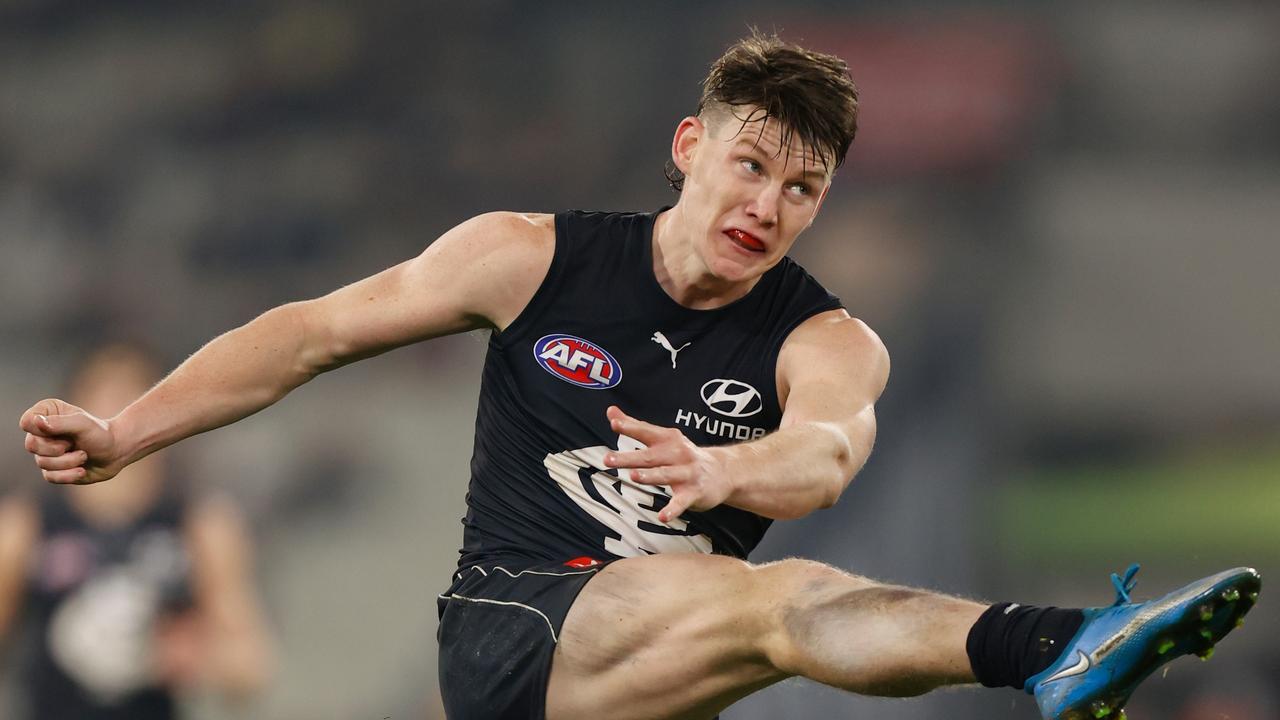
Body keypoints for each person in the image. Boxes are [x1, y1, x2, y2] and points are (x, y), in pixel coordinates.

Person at [17, 33, 1258, 720]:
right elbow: (310, 333)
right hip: (517, 636)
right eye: (750, 165)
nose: (765, 206)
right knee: (781, 606)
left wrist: (725, 466)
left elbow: (825, 455)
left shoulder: (826, 342)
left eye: (802, 189)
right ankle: (1058, 649)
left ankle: (1065, 651)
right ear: (687, 147)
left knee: (776, 607)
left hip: (660, 670)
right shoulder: (527, 257)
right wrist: (132, 431)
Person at [3, 343, 273, 720]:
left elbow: (248, 667)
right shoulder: (27, 523)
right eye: (101, 397)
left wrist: (193, 655)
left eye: (133, 397)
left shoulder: (200, 524)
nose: (113, 416)